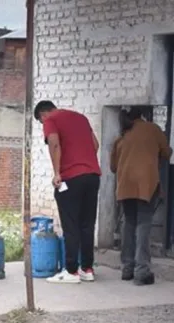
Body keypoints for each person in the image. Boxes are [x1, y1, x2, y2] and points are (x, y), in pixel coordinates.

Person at [34, 100, 101, 284]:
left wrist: (57, 173)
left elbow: (54, 144)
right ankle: (87, 269)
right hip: (93, 175)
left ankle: (71, 271)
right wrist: (84, 160)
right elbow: (95, 145)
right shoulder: (81, 118)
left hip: (71, 178)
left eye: (41, 122)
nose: (43, 125)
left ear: (43, 114)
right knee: (87, 224)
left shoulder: (50, 120)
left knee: (70, 224)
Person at [110, 107, 172, 285]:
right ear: (143, 115)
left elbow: (113, 166)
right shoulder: (152, 129)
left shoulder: (122, 135)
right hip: (146, 185)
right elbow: (166, 152)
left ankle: (127, 267)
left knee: (129, 223)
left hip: (125, 186)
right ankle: (141, 271)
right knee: (144, 224)